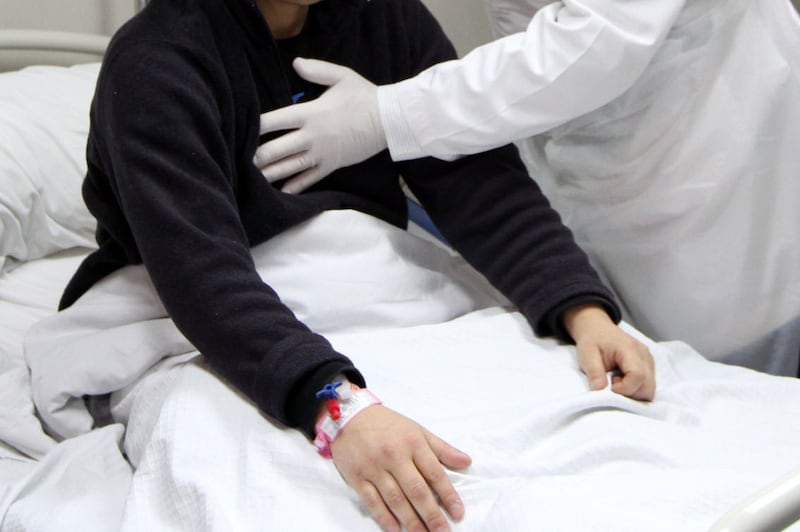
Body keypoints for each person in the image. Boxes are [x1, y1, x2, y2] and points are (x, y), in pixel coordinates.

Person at [63, 0, 654, 530]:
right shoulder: (157, 60)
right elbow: (199, 273)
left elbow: (479, 182)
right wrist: (336, 408)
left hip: (384, 289)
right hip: (223, 323)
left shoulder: (386, 18)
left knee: (596, 450)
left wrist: (582, 310)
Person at [254, 0, 800, 376]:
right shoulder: (203, 46)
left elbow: (599, 39)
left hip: (718, 154)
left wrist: (391, 113)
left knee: (748, 406)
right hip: (597, 174)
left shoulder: (381, 21)